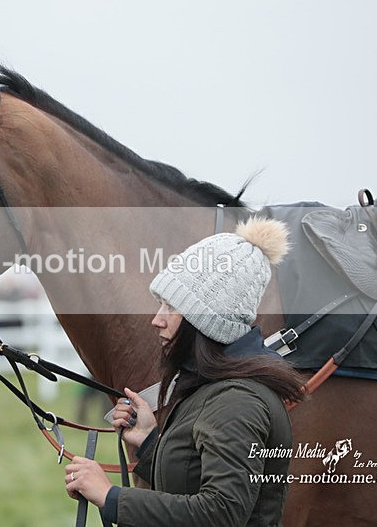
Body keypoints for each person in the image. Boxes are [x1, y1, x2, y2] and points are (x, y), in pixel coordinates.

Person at [64, 216, 306, 526]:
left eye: (170, 306)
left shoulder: (237, 400)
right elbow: (192, 481)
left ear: (205, 319)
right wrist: (150, 442)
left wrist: (110, 496)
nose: (157, 319)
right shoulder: (215, 387)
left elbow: (221, 514)